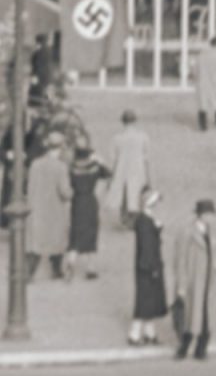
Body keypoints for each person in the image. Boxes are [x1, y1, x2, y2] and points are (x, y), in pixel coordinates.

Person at [175, 199, 216, 360]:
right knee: (190, 316)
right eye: (210, 214)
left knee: (206, 317)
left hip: (209, 280)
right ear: (202, 215)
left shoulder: (211, 231)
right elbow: (180, 260)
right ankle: (184, 347)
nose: (212, 218)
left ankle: (201, 348)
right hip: (194, 280)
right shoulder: (187, 232)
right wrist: (181, 284)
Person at [26, 138, 72, 281]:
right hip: (54, 209)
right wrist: (72, 192)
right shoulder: (61, 167)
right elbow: (65, 192)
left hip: (37, 208)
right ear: (59, 149)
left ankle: (29, 273)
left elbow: (30, 187)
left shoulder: (35, 164)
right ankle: (56, 270)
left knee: (36, 243)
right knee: (57, 240)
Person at [64, 142, 112, 280]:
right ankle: (90, 268)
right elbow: (109, 173)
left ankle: (71, 262)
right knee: (91, 232)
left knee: (76, 231)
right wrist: (100, 161)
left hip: (76, 201)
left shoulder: (72, 168)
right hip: (90, 200)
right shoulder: (94, 167)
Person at [129, 186, 168, 347]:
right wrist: (152, 268)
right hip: (148, 267)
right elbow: (147, 247)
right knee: (144, 302)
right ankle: (135, 334)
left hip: (147, 266)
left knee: (149, 301)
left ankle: (149, 332)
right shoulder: (145, 222)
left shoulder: (145, 220)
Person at [109, 108, 151, 227]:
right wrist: (148, 176)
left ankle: (126, 219)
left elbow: (114, 159)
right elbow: (146, 158)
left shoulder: (117, 138)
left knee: (124, 193)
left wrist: (112, 175)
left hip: (122, 169)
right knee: (137, 193)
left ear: (123, 122)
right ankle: (136, 219)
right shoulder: (143, 137)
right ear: (135, 121)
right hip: (138, 169)